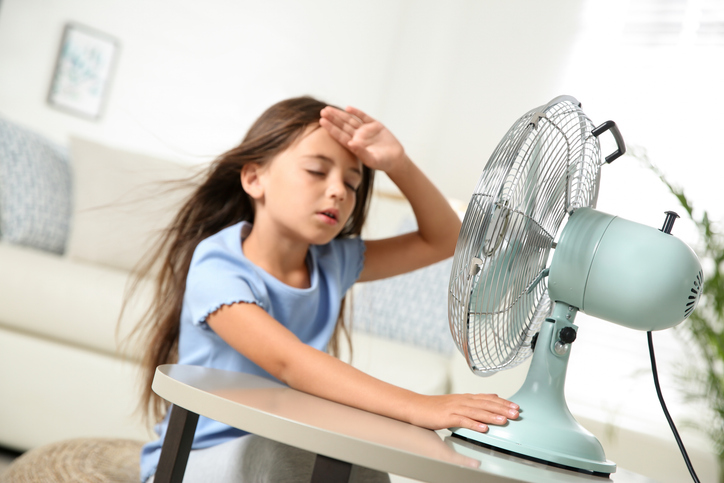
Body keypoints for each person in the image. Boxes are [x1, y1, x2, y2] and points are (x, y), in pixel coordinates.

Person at [128, 96, 520, 482]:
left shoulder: (333, 262)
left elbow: (445, 238)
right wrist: (419, 407)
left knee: (361, 468)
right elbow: (290, 363)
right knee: (281, 455)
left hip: (281, 447)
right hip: (191, 464)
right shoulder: (219, 265)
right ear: (253, 178)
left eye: (352, 183)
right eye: (317, 171)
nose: (338, 191)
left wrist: (396, 164)